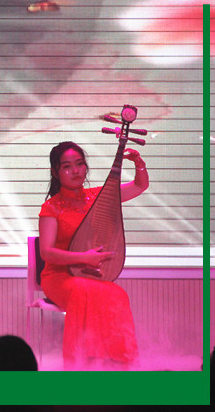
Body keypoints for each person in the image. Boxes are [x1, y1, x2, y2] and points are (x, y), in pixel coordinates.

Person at [38, 141, 149, 370]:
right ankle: (81, 363)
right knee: (82, 291)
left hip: (89, 275)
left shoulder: (99, 197)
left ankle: (118, 364)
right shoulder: (51, 207)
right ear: (55, 172)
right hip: (59, 277)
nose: (75, 171)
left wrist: (139, 164)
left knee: (117, 294)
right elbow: (46, 252)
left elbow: (140, 186)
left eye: (79, 164)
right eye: (67, 166)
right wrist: (83, 258)